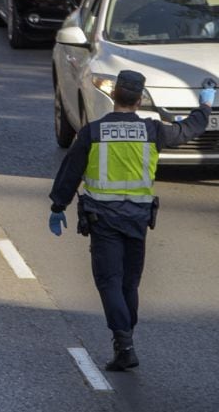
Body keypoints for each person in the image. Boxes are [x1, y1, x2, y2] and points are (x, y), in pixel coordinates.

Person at [48, 72, 214, 371]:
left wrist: (58, 206)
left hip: (103, 220)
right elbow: (187, 130)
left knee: (109, 281)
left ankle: (124, 343)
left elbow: (71, 170)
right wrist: (204, 107)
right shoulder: (152, 130)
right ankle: (126, 340)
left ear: (115, 96)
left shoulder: (93, 131)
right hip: (137, 219)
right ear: (139, 100)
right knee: (129, 283)